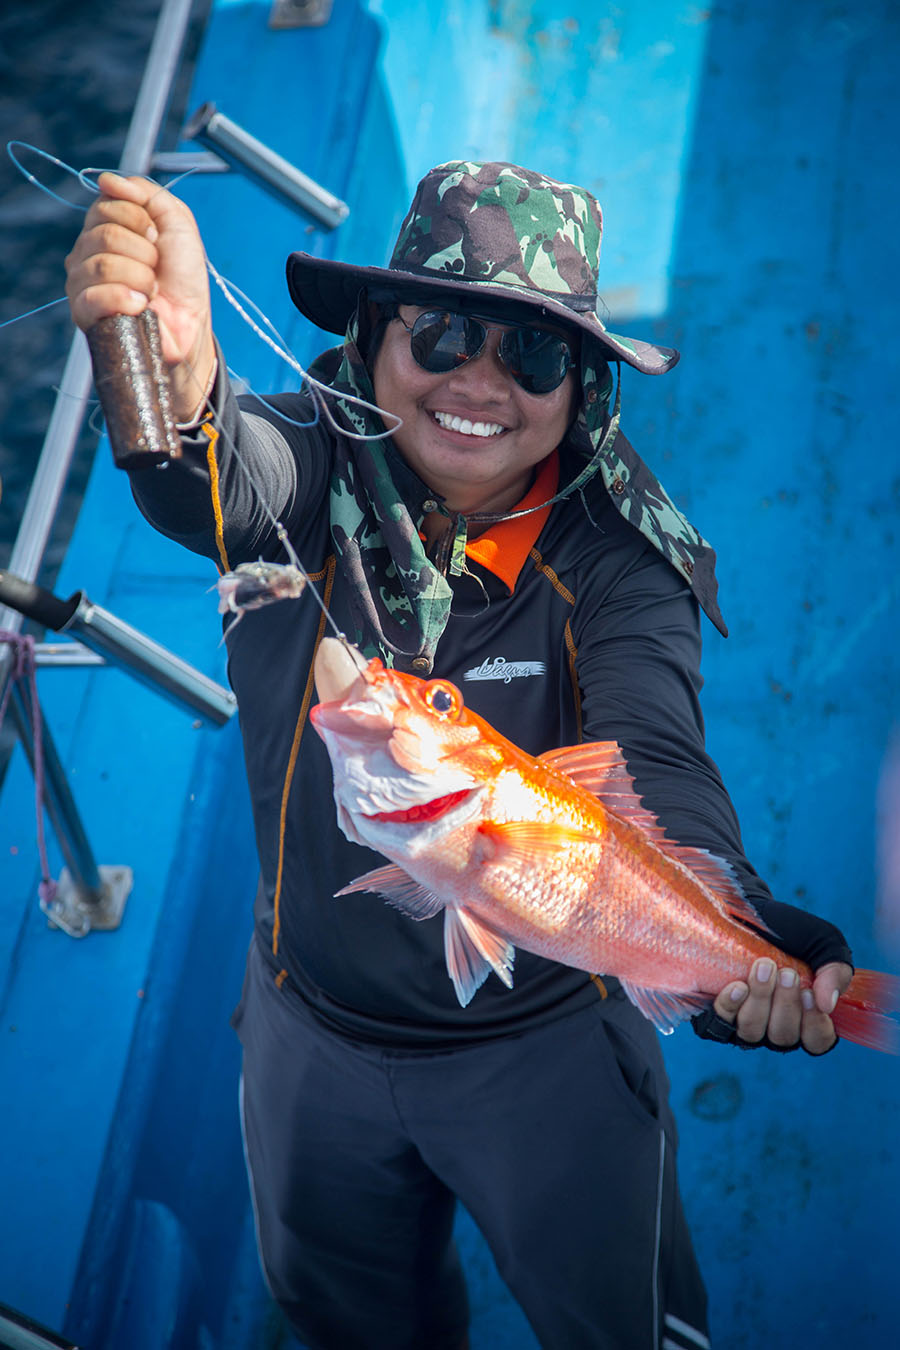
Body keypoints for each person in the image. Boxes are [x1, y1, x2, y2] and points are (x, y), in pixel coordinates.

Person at [65, 160, 853, 1350]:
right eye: (441, 335)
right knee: (347, 1319)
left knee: (621, 1323)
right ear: (376, 336)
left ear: (580, 387)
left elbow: (655, 752)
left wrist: (734, 931)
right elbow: (216, 479)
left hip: (548, 1046)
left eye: (532, 358)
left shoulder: (624, 562)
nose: (480, 384)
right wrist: (169, 381)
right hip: (307, 1023)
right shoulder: (302, 459)